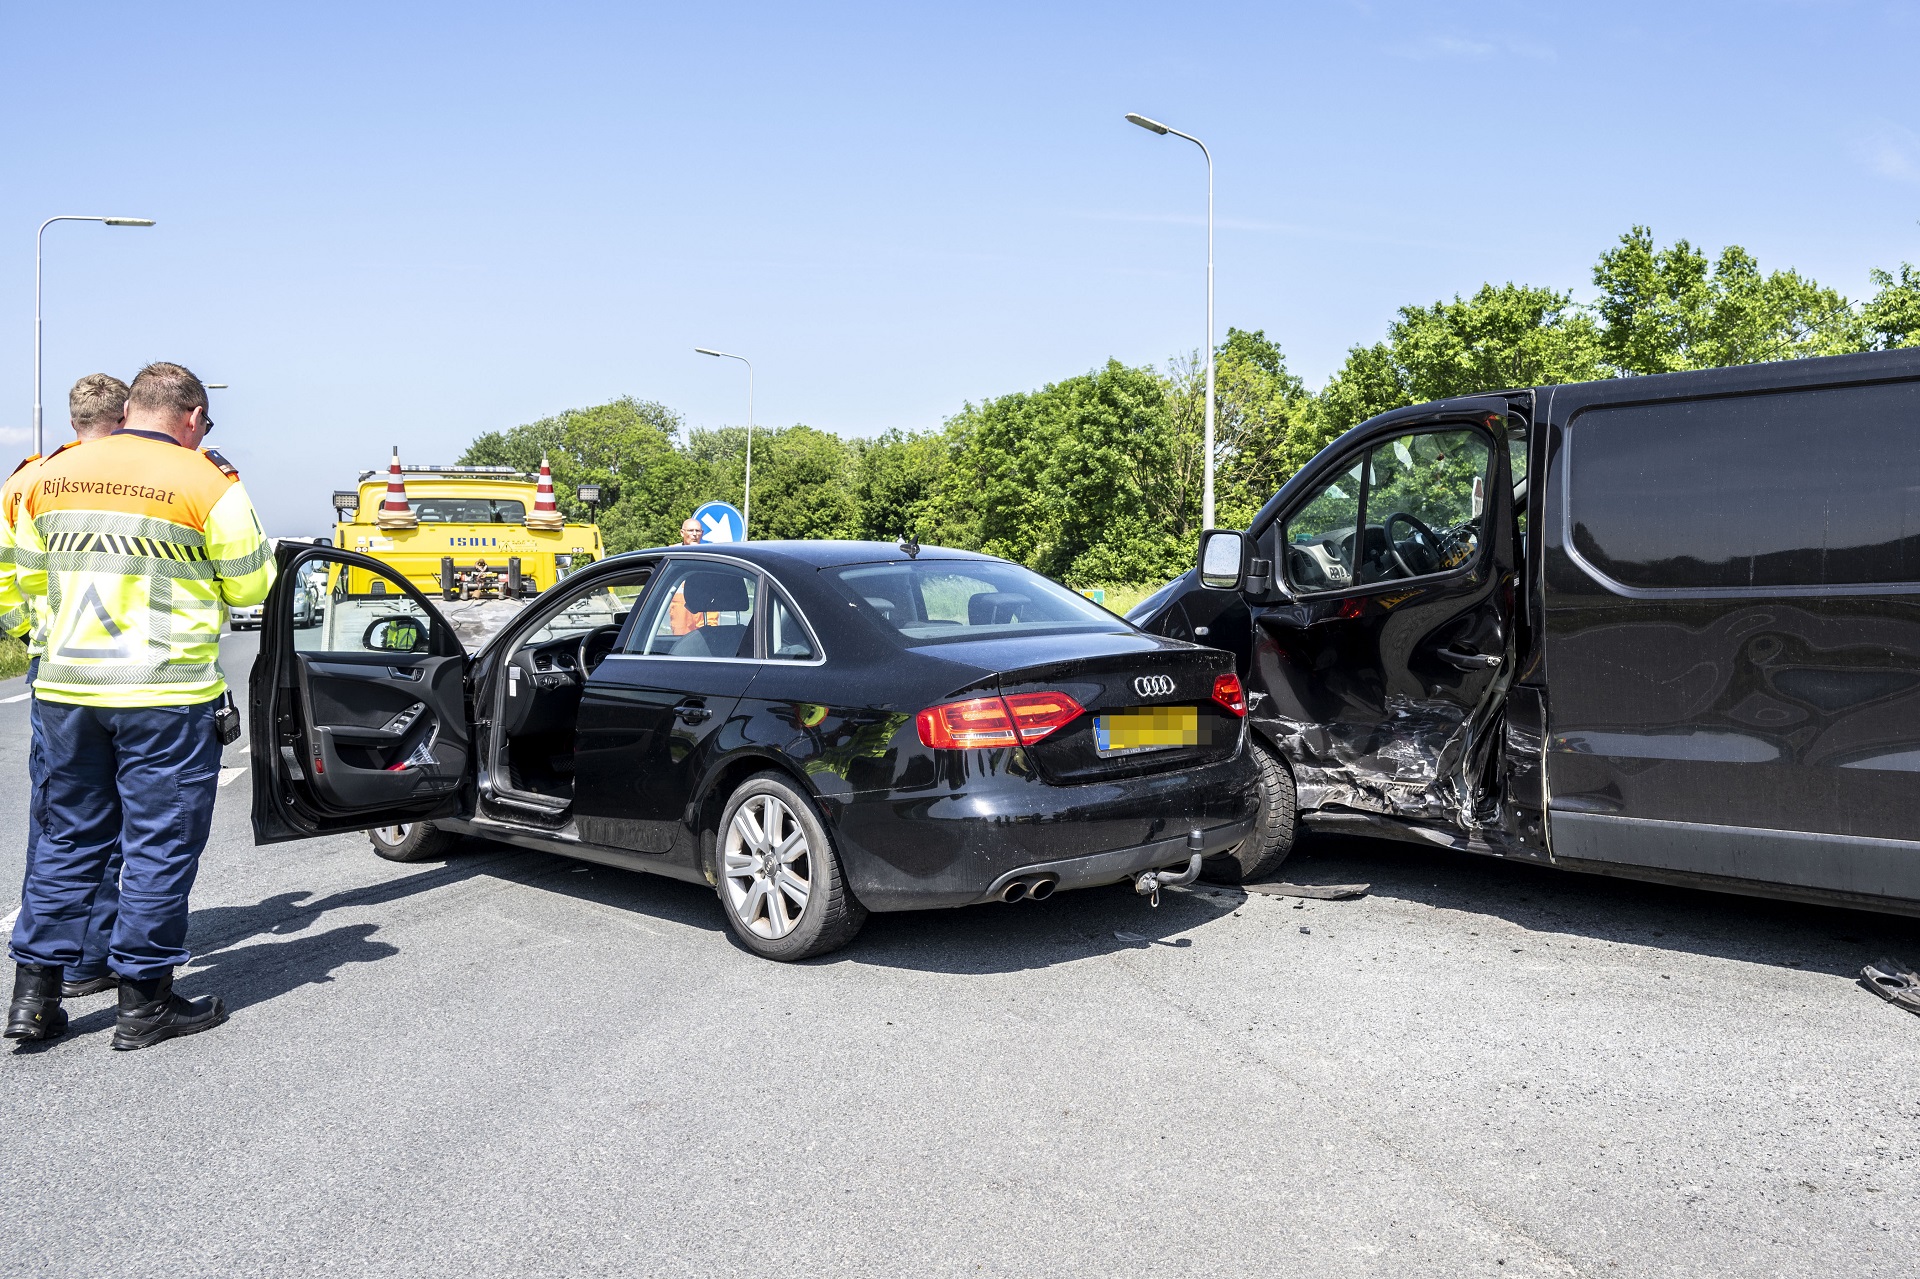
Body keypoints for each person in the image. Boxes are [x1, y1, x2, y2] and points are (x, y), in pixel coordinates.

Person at [4, 362, 275, 1049]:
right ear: (189, 417)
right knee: (157, 842)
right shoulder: (206, 482)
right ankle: (145, 1003)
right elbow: (251, 589)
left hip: (65, 691)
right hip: (163, 692)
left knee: (65, 839)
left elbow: (31, 580)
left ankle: (34, 999)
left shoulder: (50, 476)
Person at [0, 374, 131, 1002]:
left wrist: (35, 634)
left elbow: (9, 573)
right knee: (108, 819)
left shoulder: (30, 479)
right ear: (126, 415)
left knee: (60, 818)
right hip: (123, 668)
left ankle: (49, 959)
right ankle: (86, 955)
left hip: (51, 665)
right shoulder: (134, 478)